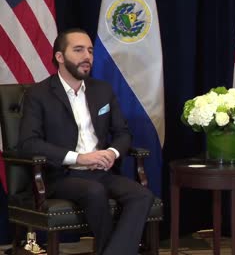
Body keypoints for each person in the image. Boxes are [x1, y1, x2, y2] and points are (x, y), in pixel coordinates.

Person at [18, 28, 155, 255]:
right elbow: (28, 143)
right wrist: (79, 157)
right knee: (94, 191)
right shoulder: (39, 94)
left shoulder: (102, 90)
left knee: (142, 195)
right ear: (60, 57)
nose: (87, 57)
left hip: (101, 171)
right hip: (62, 175)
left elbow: (123, 133)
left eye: (90, 51)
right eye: (79, 50)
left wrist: (111, 153)